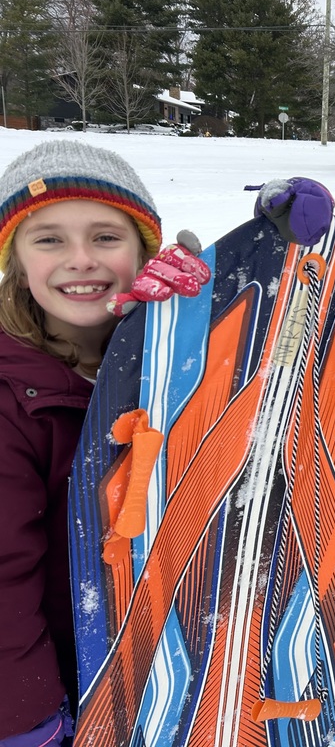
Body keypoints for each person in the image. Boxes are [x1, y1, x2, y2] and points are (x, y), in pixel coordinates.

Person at [0, 139, 208, 746]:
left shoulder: (173, 351)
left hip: (175, 668)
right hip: (62, 685)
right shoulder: (11, 393)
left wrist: (231, 294)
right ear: (17, 264)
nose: (81, 259)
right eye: (49, 240)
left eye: (106, 237)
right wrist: (26, 717)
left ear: (144, 253)